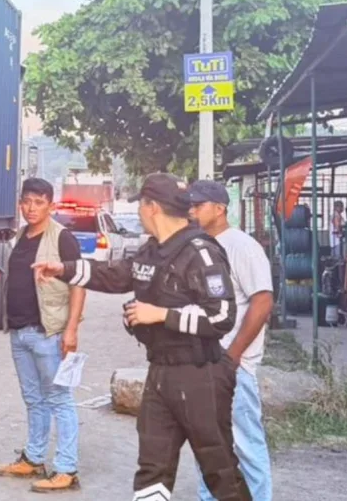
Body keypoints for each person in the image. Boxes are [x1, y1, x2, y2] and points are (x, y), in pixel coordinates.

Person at [33, 173, 250, 501]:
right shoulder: (151, 251)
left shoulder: (200, 252)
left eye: (141, 205)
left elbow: (221, 317)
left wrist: (161, 315)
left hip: (200, 374)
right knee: (152, 469)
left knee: (218, 469)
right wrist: (61, 269)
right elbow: (115, 275)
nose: (139, 213)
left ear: (152, 208)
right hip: (161, 373)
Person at [0, 177, 86, 493]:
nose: (31, 208)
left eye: (39, 202)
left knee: (59, 398)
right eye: (26, 201)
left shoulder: (62, 238)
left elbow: (78, 284)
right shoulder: (21, 236)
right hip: (20, 333)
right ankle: (33, 459)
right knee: (33, 399)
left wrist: (71, 330)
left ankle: (67, 468)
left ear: (51, 205)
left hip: (49, 334)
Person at [189, 181, 273, 501]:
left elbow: (262, 301)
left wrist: (233, 356)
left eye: (199, 205)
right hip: (202, 363)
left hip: (231, 367)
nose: (192, 211)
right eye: (190, 206)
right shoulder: (197, 246)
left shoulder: (241, 246)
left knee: (246, 446)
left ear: (220, 208)